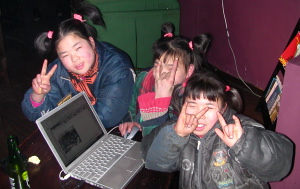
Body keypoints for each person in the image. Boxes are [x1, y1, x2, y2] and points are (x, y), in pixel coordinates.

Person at [141, 71, 294, 188]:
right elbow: (153, 161)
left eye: (209, 107)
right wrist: (176, 135)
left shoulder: (239, 129)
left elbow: (279, 167)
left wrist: (242, 143)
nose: (198, 115)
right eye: (192, 105)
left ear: (223, 107)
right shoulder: (178, 131)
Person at [21, 1, 134, 128]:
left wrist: (61, 118)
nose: (74, 59)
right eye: (65, 55)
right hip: (77, 130)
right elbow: (35, 116)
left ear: (91, 42)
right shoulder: (57, 70)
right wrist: (38, 95)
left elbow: (105, 118)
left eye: (78, 48)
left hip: (119, 129)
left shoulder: (116, 66)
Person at [119, 22, 212, 136]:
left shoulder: (195, 96)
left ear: (189, 71)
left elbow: (163, 139)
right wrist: (134, 122)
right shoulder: (144, 79)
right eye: (157, 64)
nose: (162, 72)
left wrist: (160, 100)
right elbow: (132, 109)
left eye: (171, 68)